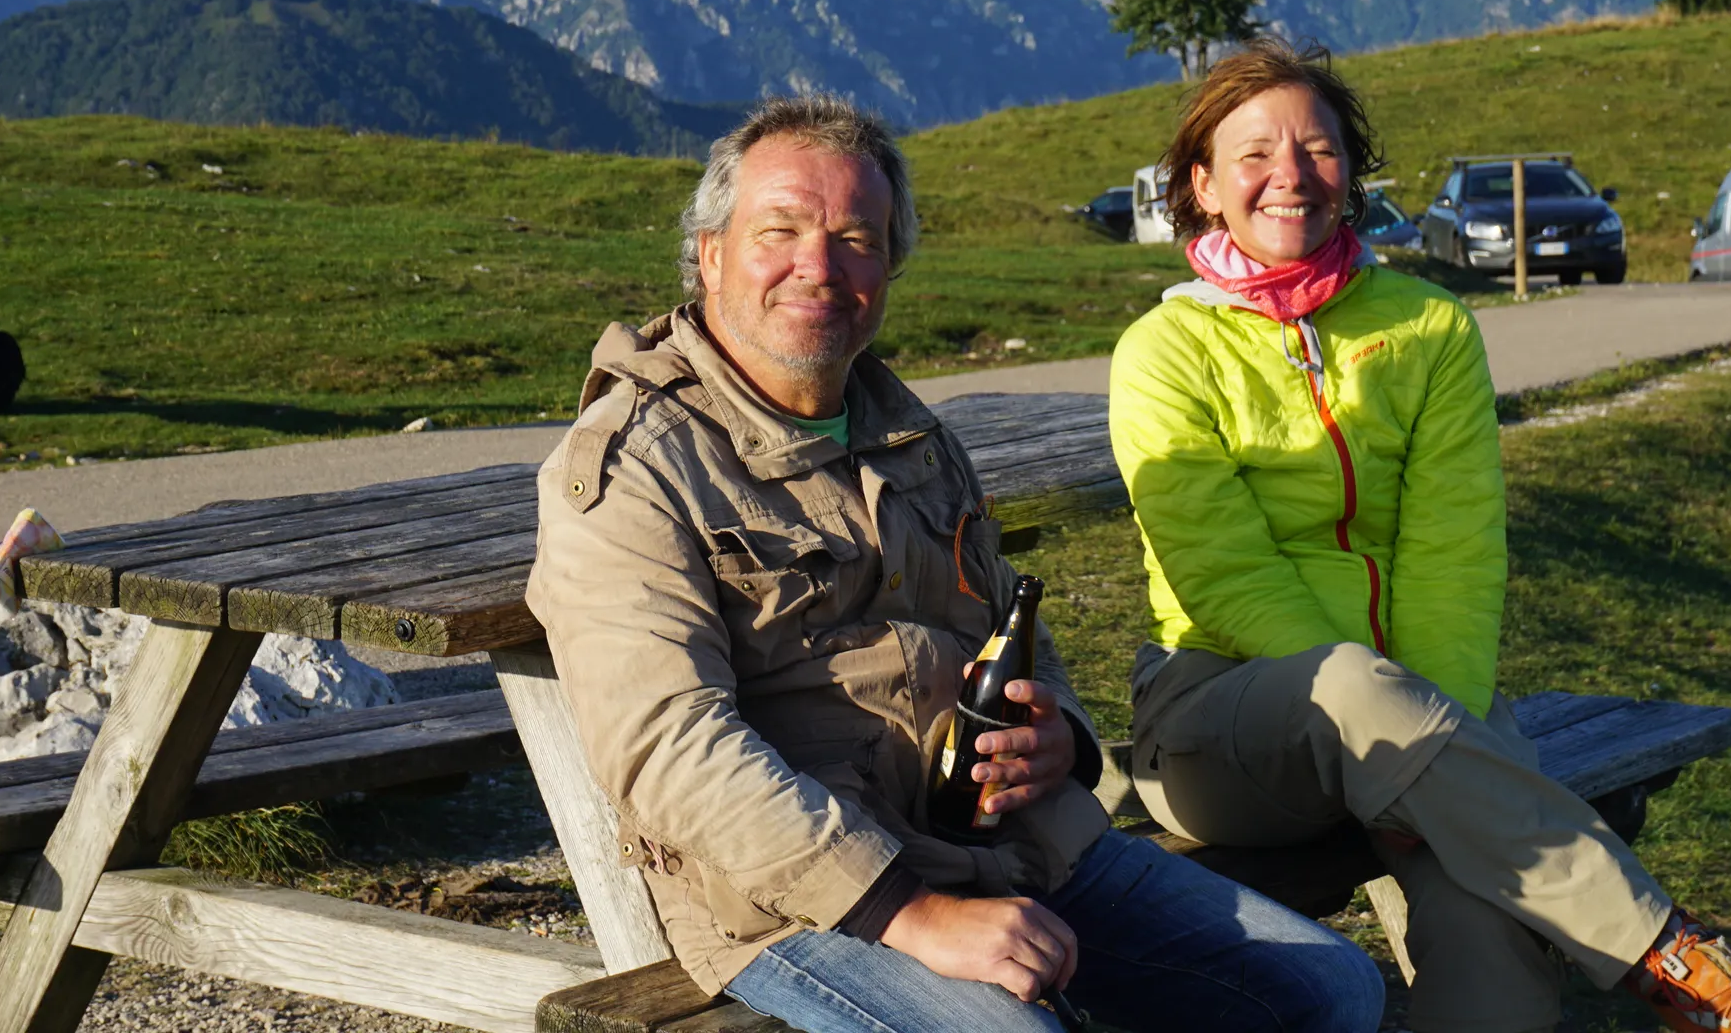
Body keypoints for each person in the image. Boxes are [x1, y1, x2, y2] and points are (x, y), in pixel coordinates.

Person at [528, 96, 1383, 1033]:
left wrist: (1061, 740)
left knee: (1334, 990)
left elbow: (1015, 627)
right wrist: (914, 914)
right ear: (711, 253)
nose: (820, 266)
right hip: (803, 901)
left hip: (1006, 845)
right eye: (781, 231)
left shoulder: (908, 431)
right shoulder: (634, 466)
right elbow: (667, 748)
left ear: (889, 267)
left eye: (857, 239)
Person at [1108, 39, 1731, 1033]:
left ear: (1351, 173)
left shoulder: (1432, 328)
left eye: (1318, 149)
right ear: (1203, 185)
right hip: (1226, 724)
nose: (1290, 175)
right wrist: (1387, 723)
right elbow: (1221, 573)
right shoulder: (1163, 350)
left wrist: (1413, 731)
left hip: (1427, 708)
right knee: (1355, 693)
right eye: (1255, 154)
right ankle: (1665, 953)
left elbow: (1456, 551)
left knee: (1493, 925)